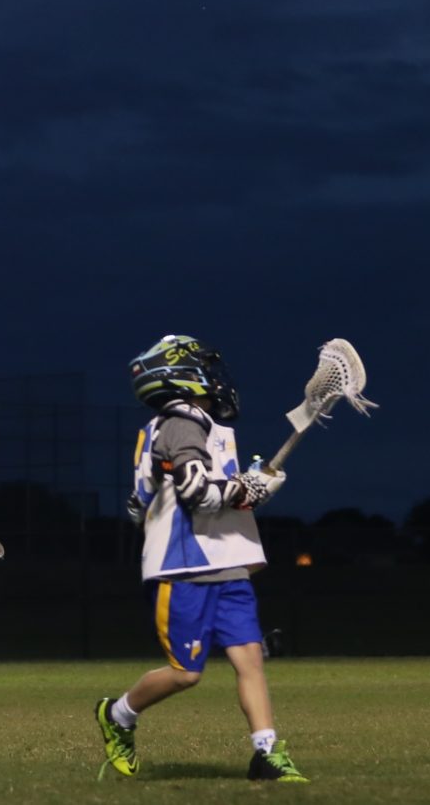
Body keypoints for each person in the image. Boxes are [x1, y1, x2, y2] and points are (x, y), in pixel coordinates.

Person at [94, 334, 305, 783]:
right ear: (181, 376)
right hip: (185, 566)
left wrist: (249, 485)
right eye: (204, 368)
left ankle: (266, 754)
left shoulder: (201, 426)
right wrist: (245, 489)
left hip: (226, 560)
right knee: (186, 675)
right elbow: (195, 494)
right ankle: (118, 714)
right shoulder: (181, 422)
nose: (215, 378)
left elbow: (144, 503)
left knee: (250, 659)